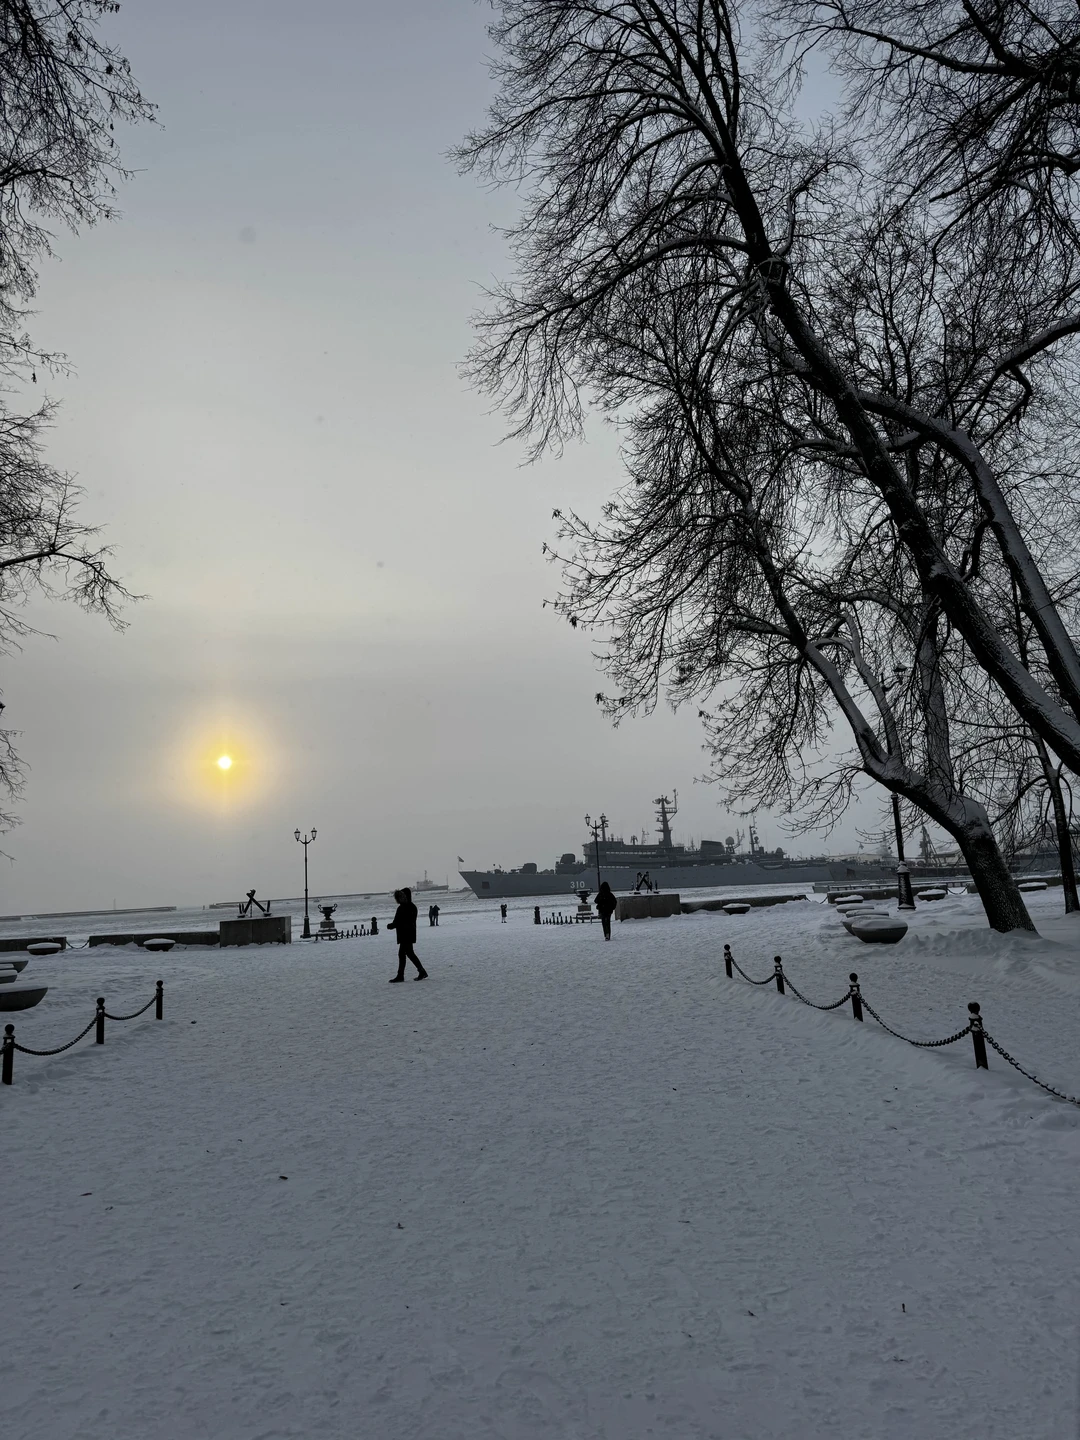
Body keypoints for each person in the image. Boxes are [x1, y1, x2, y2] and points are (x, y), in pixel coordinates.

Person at [387, 887, 427, 982]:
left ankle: (401, 975)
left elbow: (404, 921)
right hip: (405, 934)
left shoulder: (409, 907)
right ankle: (420, 971)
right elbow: (398, 920)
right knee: (408, 953)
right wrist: (393, 925)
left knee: (405, 954)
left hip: (407, 934)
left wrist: (393, 925)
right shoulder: (404, 907)